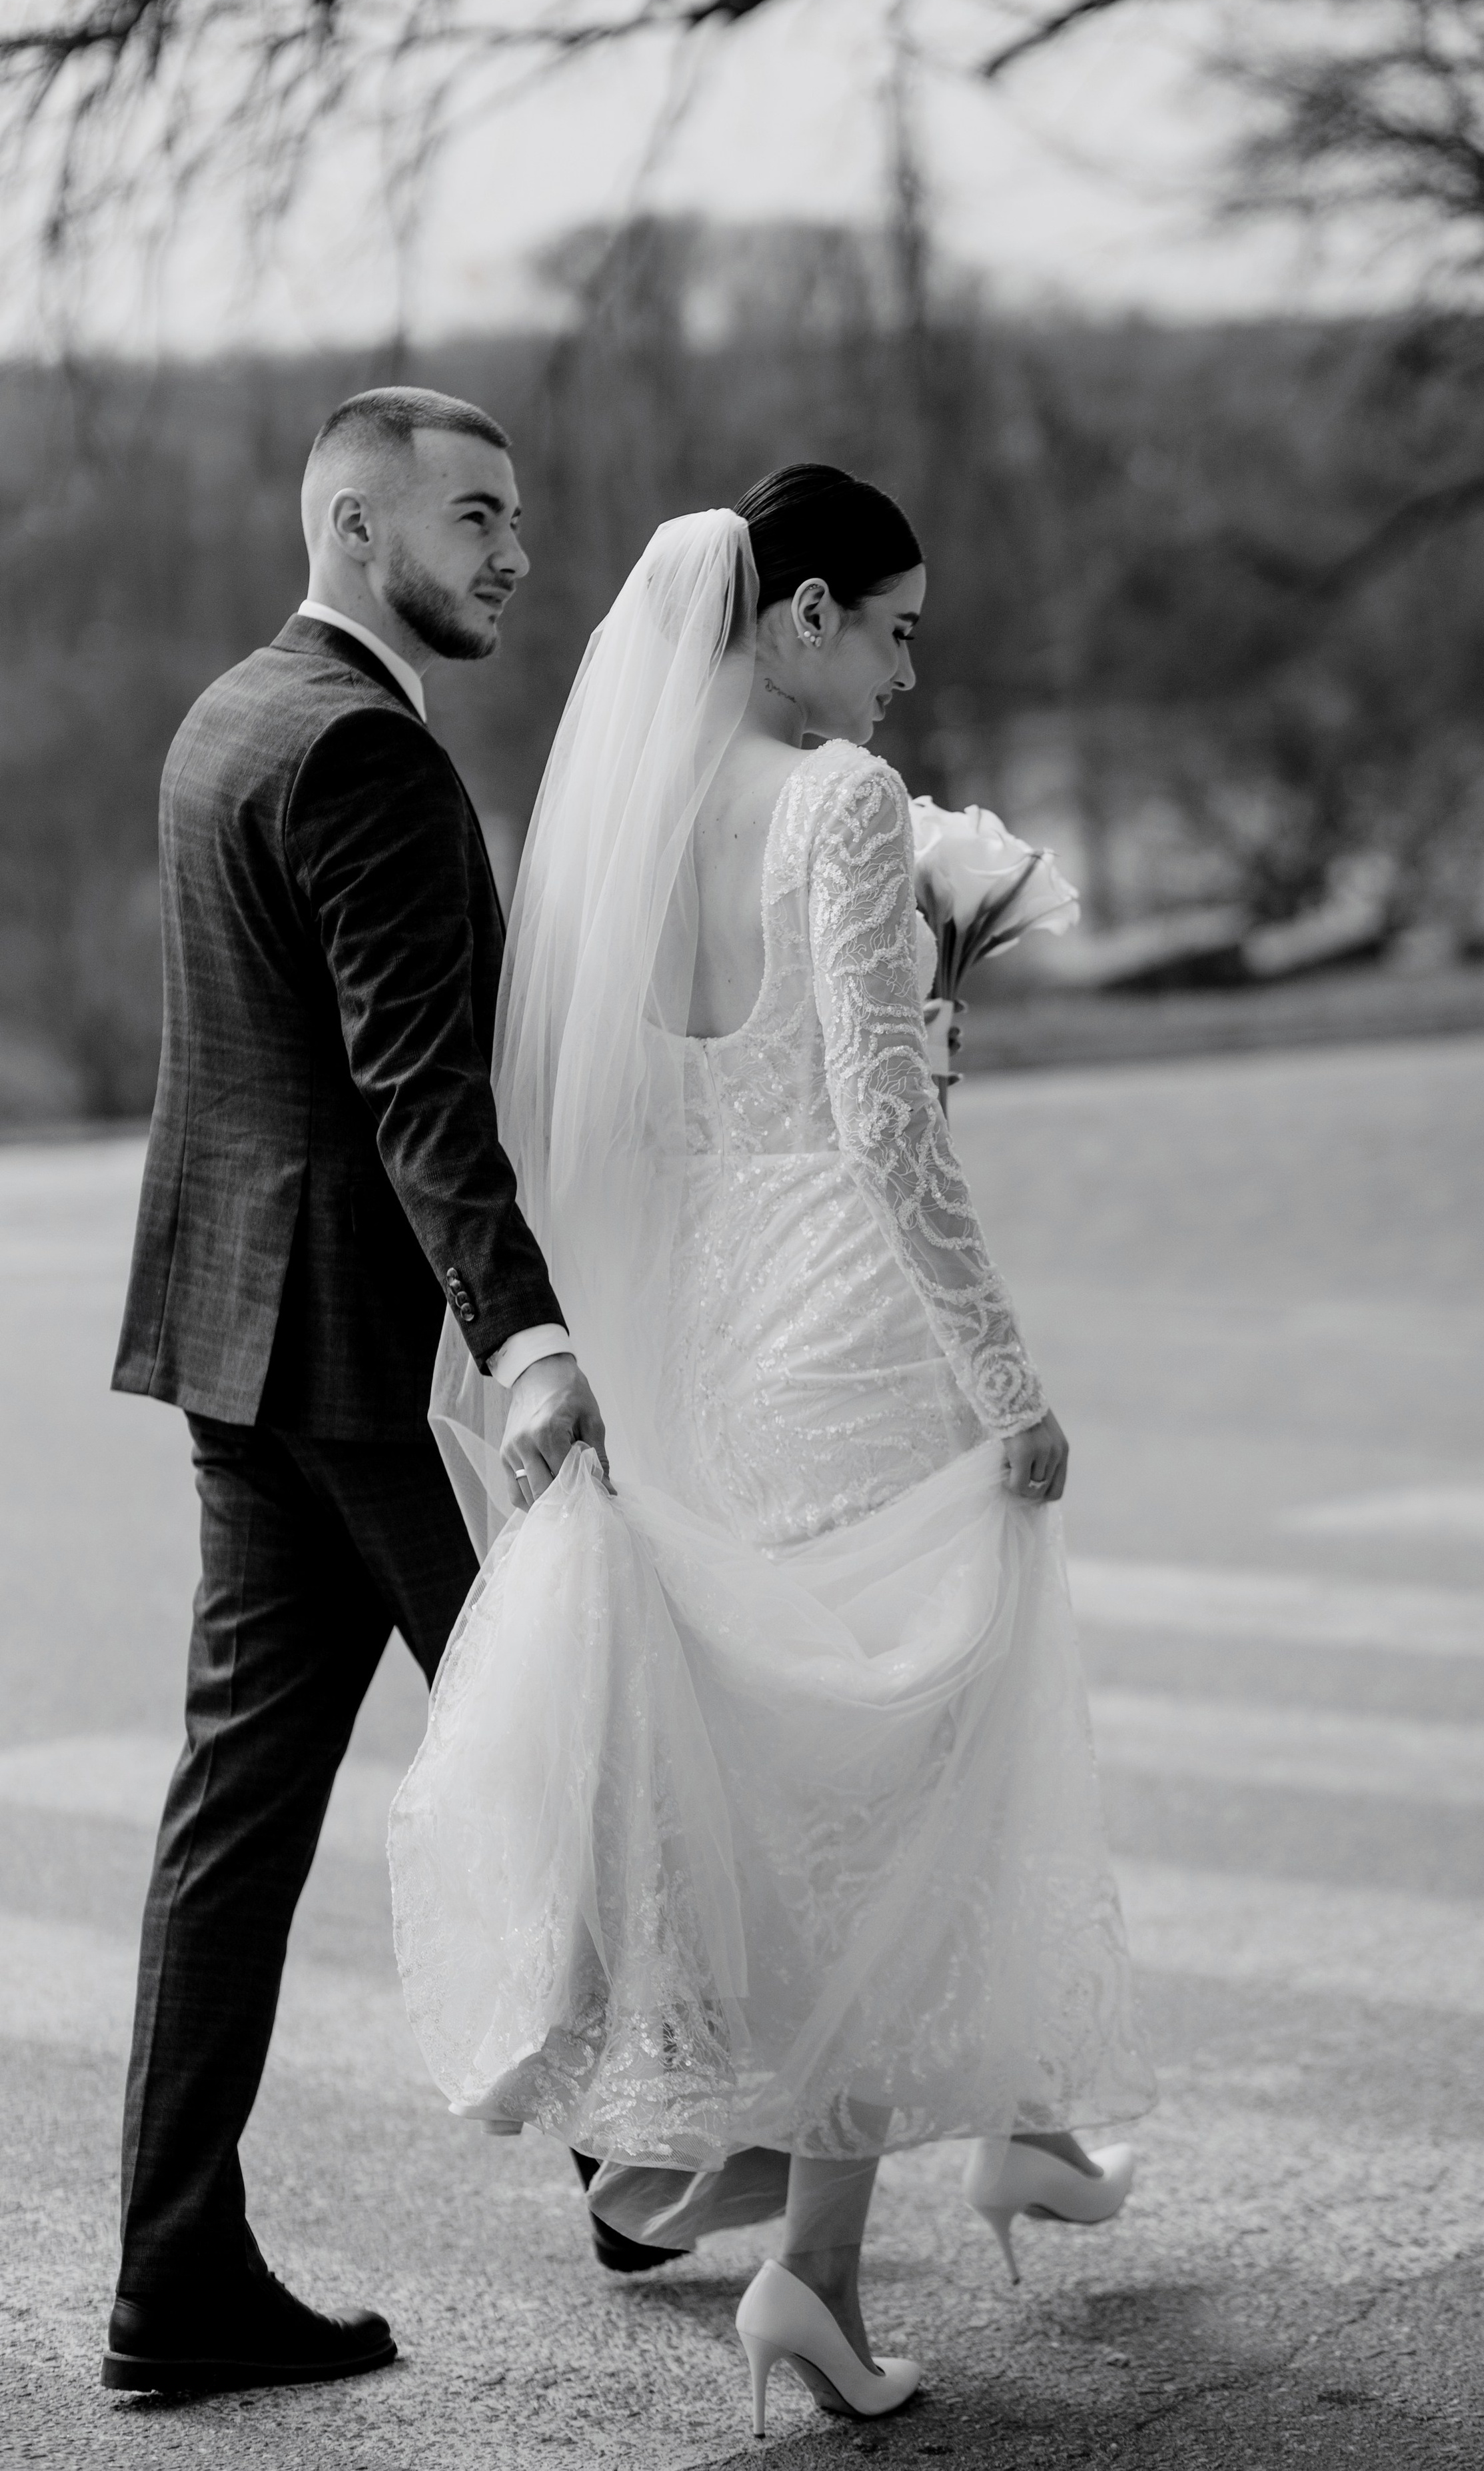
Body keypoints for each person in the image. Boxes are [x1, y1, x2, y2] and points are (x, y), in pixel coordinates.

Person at [392, 467, 1154, 2436]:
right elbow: (891, 1139)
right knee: (916, 1811)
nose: (907, 676)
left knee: (824, 1820)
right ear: (801, 613)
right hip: (863, 1351)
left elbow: (624, 1122)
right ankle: (827, 2264)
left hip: (716, 1351)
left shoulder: (630, 826)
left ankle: (932, 2191)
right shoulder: (833, 806)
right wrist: (1010, 1382)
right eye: (893, 631)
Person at [104, 387, 608, 2394]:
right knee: (556, 1737)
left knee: (239, 1809)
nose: (510, 551)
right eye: (472, 516)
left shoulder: (231, 714)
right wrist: (532, 1334)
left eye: (514, 517)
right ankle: (647, 2158)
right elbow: (415, 1096)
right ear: (349, 523)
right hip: (363, 1362)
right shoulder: (366, 757)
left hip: (241, 1333)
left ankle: (171, 2282)